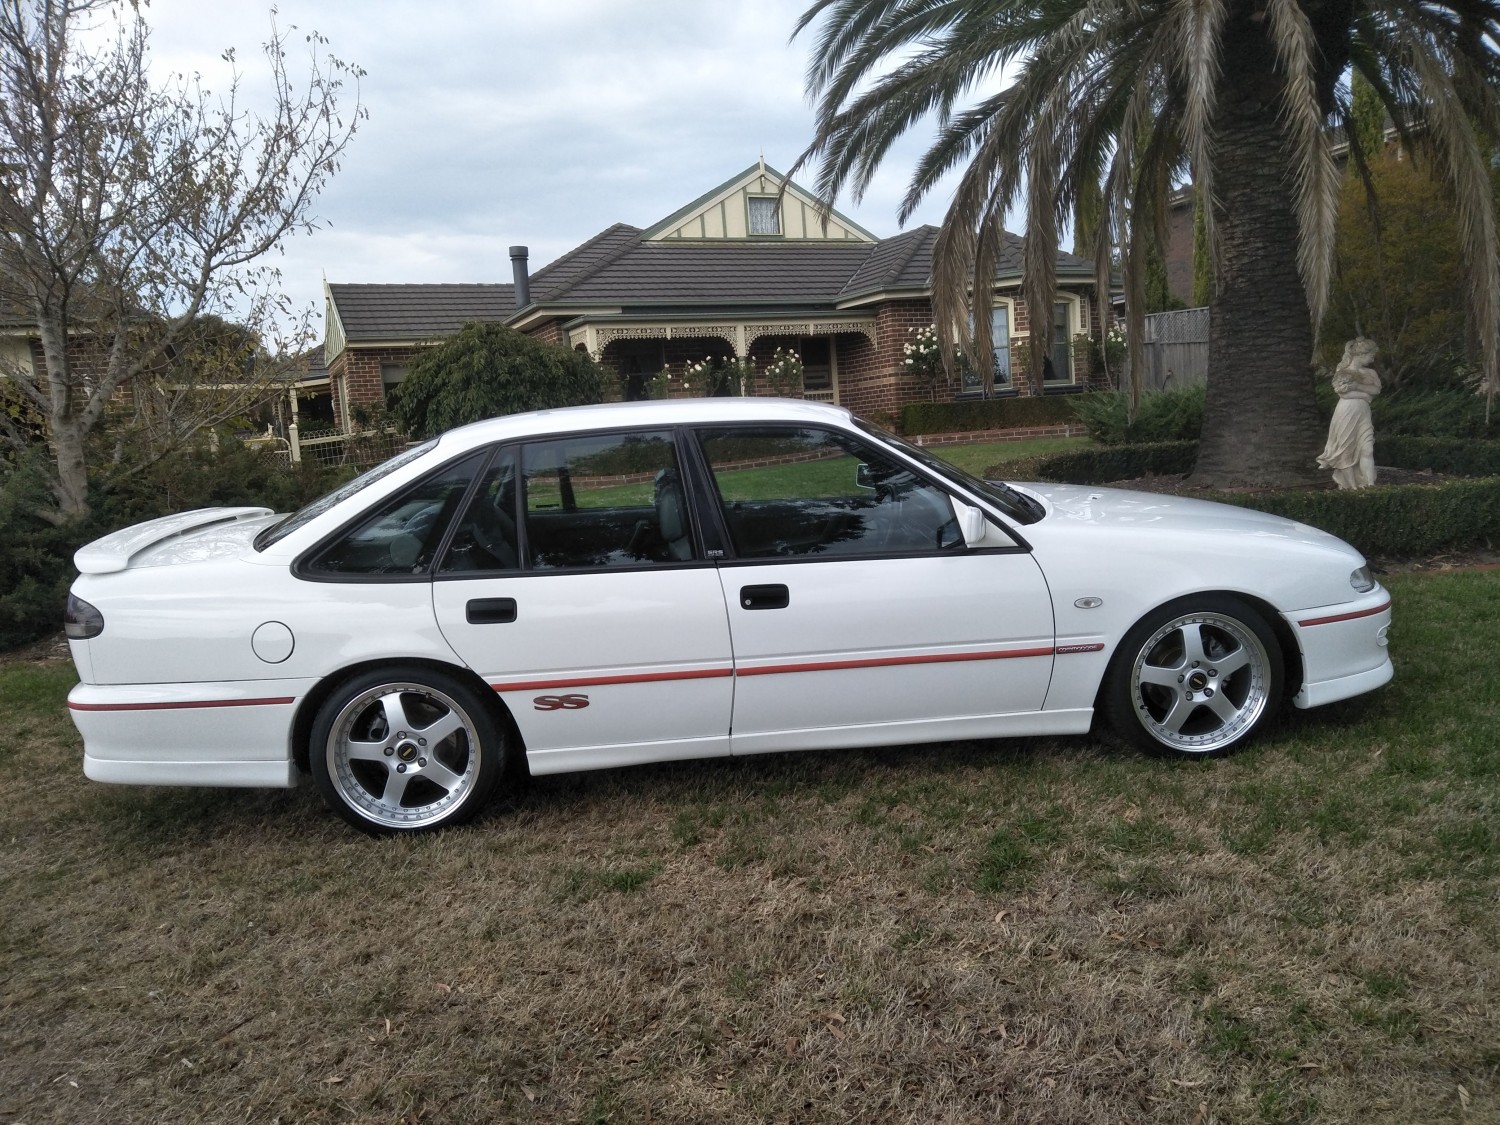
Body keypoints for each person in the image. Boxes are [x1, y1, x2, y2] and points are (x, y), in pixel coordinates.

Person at [1317, 337, 1381, 489]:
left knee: (1367, 448)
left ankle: (1370, 485)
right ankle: (1351, 488)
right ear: (1361, 354)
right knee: (1346, 450)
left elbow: (1376, 390)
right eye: (1371, 355)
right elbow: (1343, 394)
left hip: (1363, 413)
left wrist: (1358, 386)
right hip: (1346, 412)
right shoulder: (1343, 372)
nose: (1372, 359)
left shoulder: (1370, 373)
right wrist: (1364, 395)